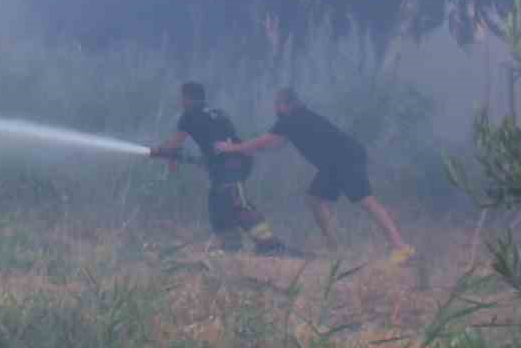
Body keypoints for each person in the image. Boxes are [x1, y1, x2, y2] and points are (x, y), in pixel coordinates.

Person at [217, 88, 414, 264]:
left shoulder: (292, 118)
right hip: (334, 163)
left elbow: (265, 141)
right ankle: (336, 248)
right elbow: (275, 144)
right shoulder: (298, 118)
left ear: (287, 104)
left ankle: (401, 248)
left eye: (277, 105)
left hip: (345, 158)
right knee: (314, 199)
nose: (275, 109)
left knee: (367, 202)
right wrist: (247, 150)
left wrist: (233, 148)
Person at [150, 82, 289, 255]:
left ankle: (270, 245)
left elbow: (173, 145)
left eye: (182, 97)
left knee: (237, 203)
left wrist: (159, 152)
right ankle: (231, 247)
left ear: (187, 98)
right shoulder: (216, 113)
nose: (180, 101)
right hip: (235, 161)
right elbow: (213, 144)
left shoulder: (189, 114)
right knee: (217, 204)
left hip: (231, 163)